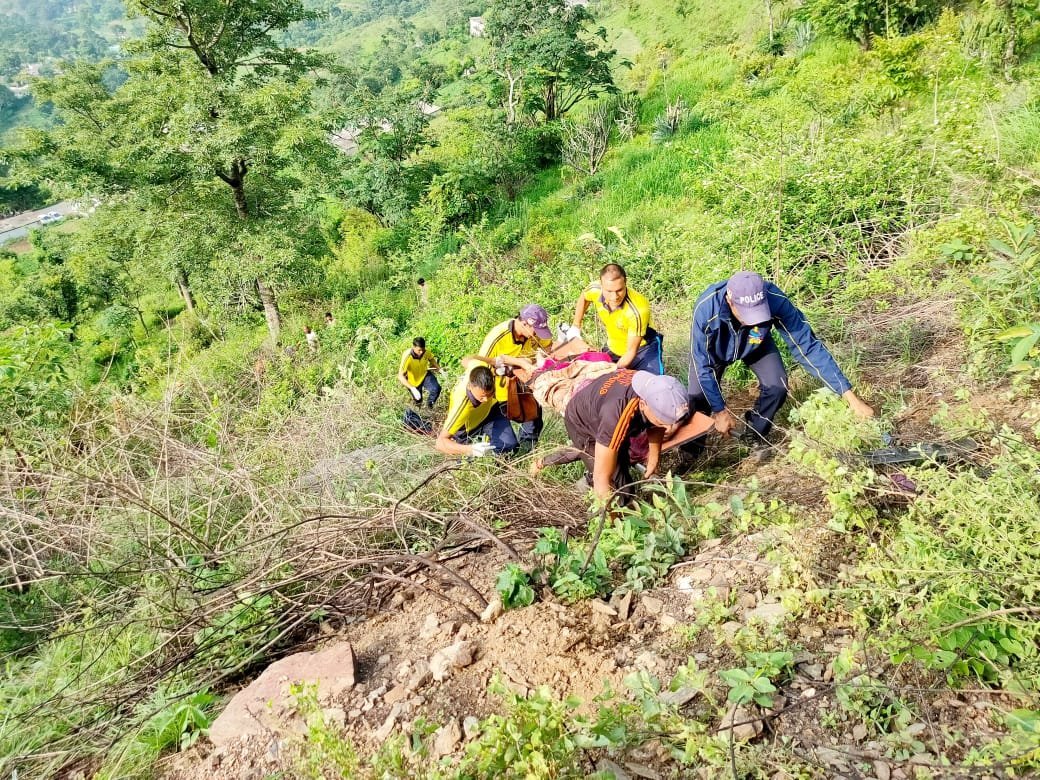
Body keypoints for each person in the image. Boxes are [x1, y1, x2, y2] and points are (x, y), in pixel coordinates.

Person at [688, 271, 874, 446]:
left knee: (777, 385)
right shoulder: (706, 310)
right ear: (730, 300)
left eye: (757, 313)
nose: (751, 318)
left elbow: (807, 347)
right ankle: (690, 454)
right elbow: (702, 366)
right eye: (746, 314)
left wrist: (850, 398)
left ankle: (754, 434)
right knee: (698, 398)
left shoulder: (775, 299)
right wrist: (720, 410)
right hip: (713, 351)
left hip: (754, 340)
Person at [562, 369, 689, 503]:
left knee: (620, 458)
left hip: (603, 404)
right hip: (582, 422)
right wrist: (613, 519)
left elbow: (657, 424)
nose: (668, 429)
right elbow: (602, 477)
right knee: (619, 490)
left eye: (670, 422)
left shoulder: (661, 391)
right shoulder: (616, 415)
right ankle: (591, 488)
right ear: (643, 405)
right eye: (661, 421)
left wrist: (654, 458)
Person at [477, 304, 556, 450]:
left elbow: (547, 345)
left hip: (525, 384)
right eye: (535, 330)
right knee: (503, 435)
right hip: (499, 391)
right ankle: (497, 449)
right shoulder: (498, 336)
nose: (537, 334)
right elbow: (480, 365)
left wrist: (539, 357)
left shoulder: (535, 334)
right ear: (525, 323)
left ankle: (528, 448)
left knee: (533, 419)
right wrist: (509, 367)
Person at [572, 263, 664, 374]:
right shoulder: (594, 289)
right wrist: (576, 326)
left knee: (654, 384)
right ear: (601, 285)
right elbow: (584, 297)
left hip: (642, 348)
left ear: (625, 282)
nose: (614, 297)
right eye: (609, 291)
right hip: (614, 345)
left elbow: (631, 351)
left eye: (619, 290)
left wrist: (613, 371)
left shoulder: (638, 309)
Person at [436, 362, 518, 458]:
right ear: (470, 387)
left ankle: (498, 461)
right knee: (467, 463)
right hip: (467, 426)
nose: (486, 400)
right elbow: (440, 443)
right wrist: (471, 449)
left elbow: (468, 360)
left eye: (490, 394)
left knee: (508, 445)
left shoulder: (484, 368)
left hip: (490, 412)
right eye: (482, 397)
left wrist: (498, 368)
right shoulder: (461, 406)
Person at [397, 337, 441, 409]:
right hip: (413, 381)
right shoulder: (408, 357)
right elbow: (400, 376)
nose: (421, 352)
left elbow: (431, 359)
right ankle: (419, 411)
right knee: (418, 400)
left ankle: (429, 407)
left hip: (424, 375)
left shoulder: (425, 352)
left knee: (436, 389)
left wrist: (439, 369)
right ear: (413, 347)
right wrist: (412, 388)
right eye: (419, 350)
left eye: (422, 350)